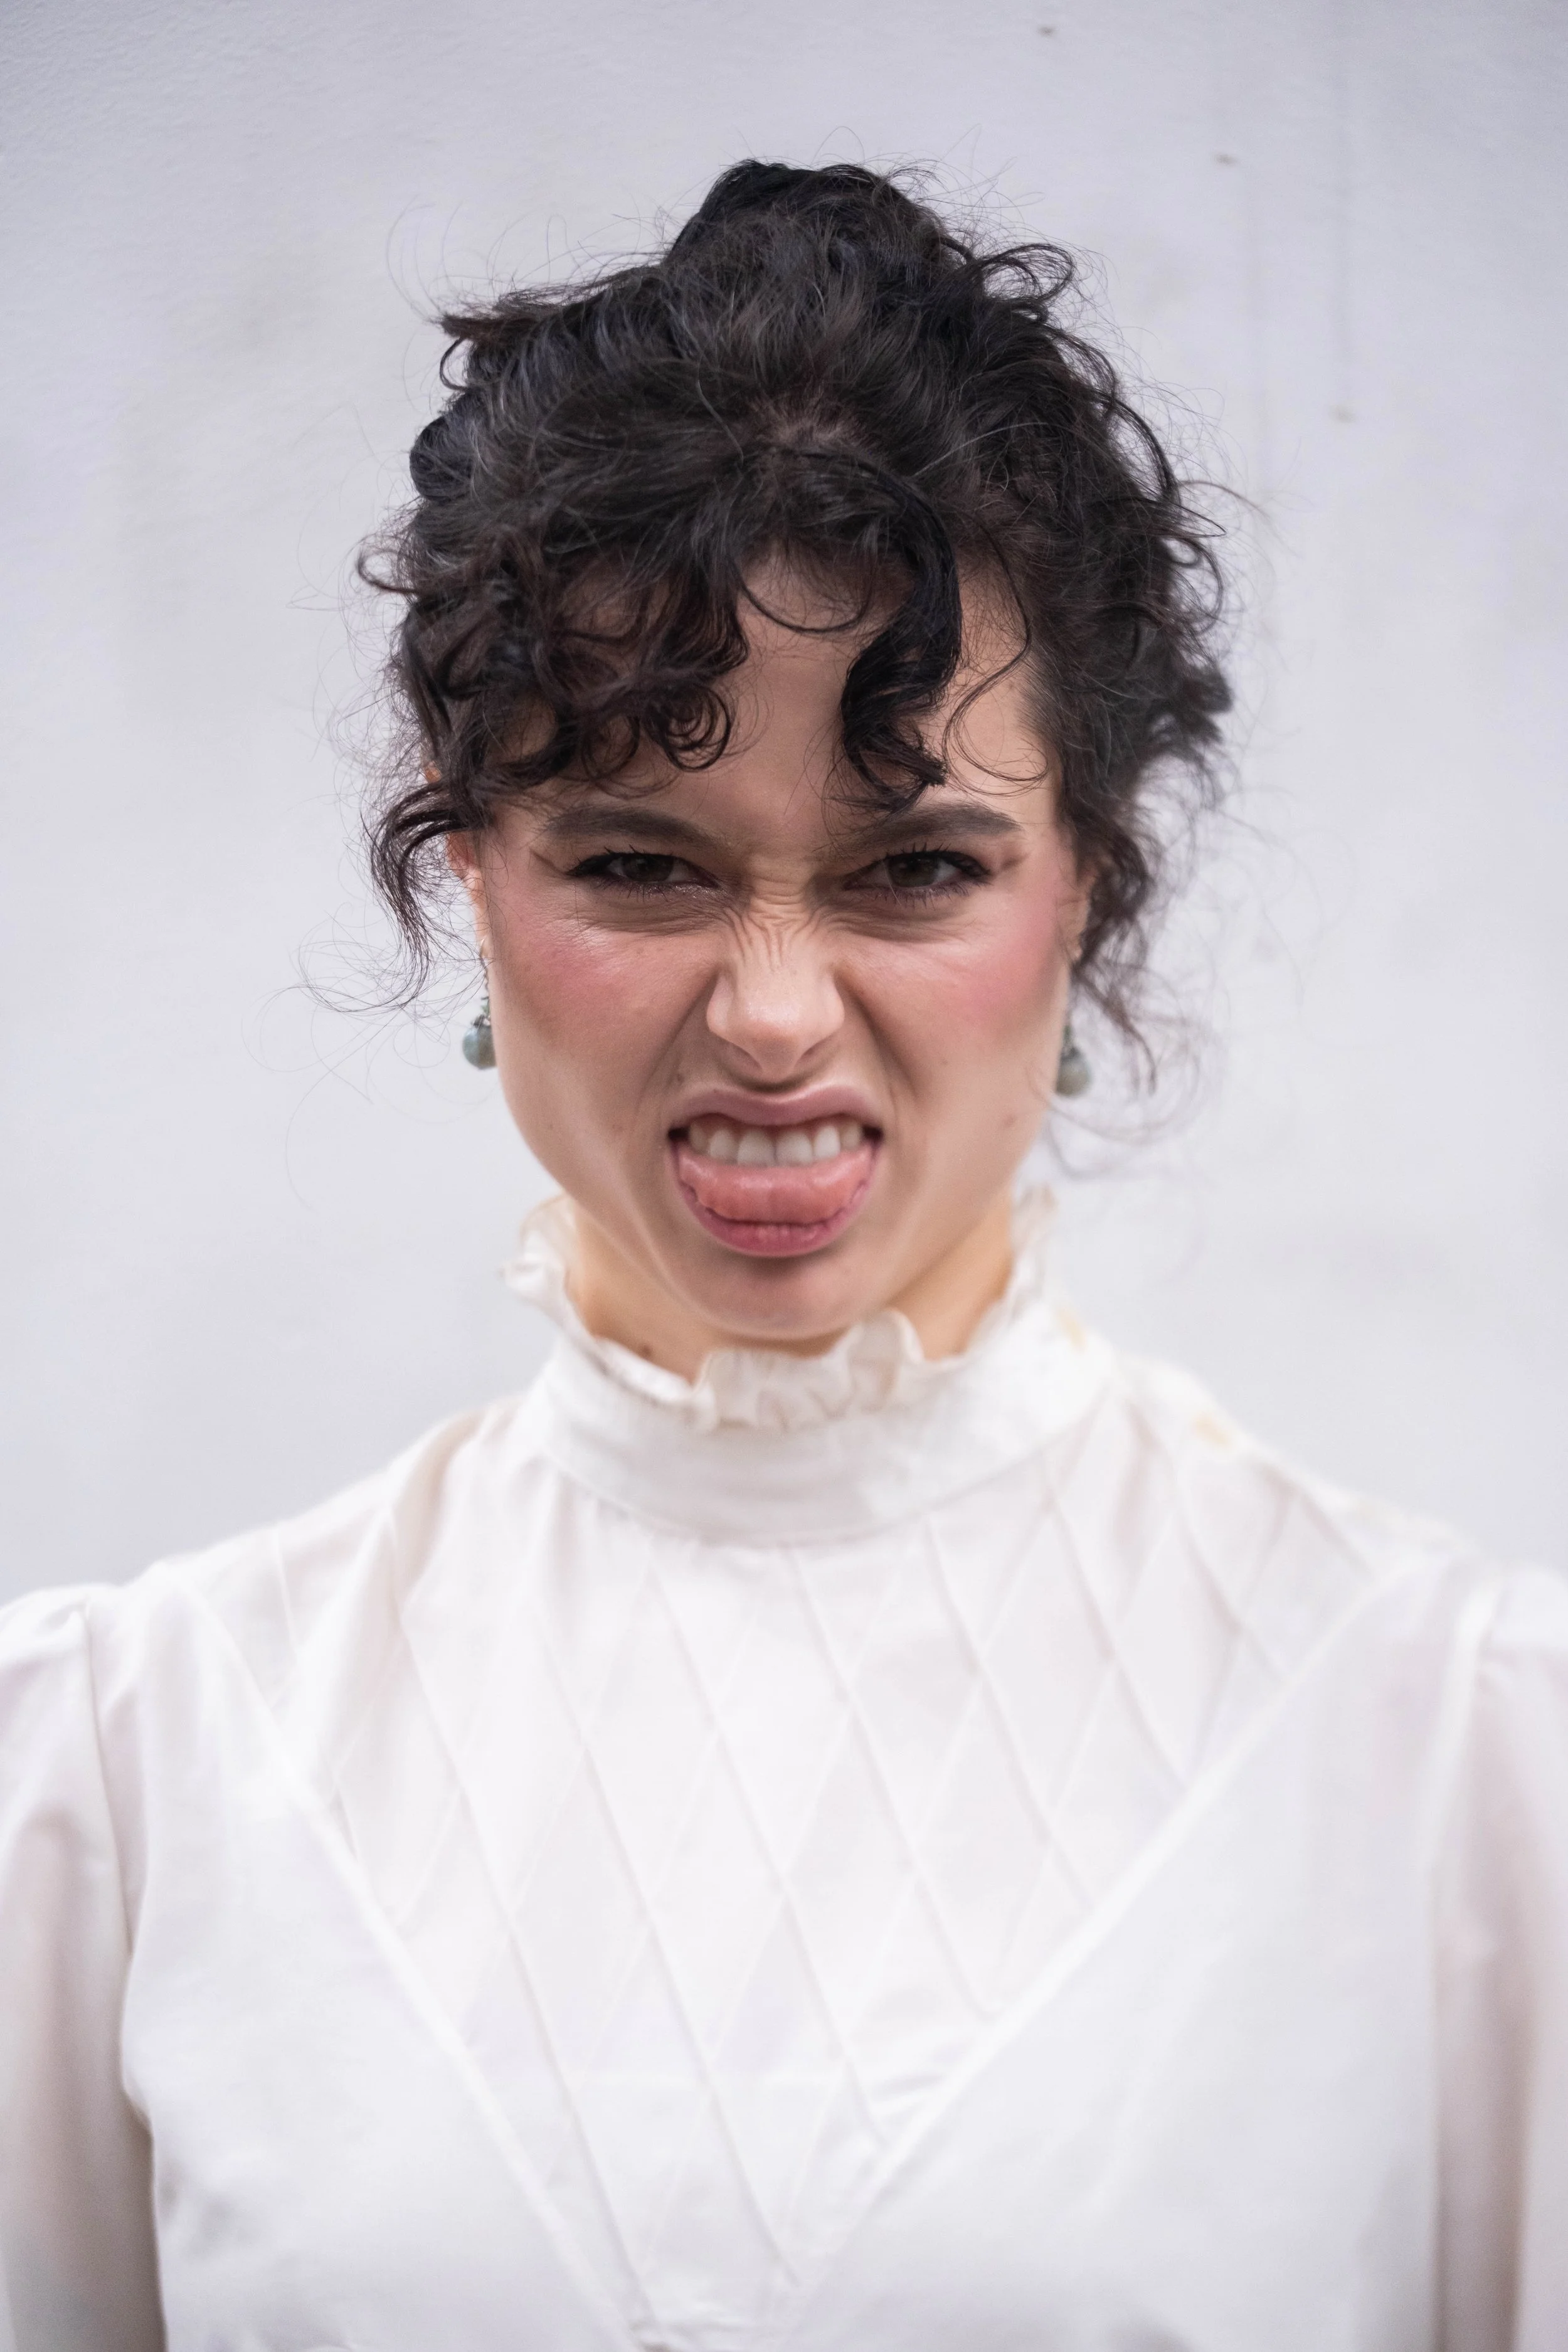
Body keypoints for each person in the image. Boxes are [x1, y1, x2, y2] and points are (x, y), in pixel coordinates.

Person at [0, 159, 1561, 2352]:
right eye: (636, 860)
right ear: (470, 877)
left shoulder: (1467, 1770)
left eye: (911, 867)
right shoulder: (127, 1777)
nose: (767, 1008)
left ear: (1085, 894)